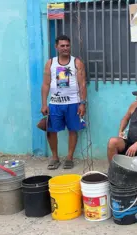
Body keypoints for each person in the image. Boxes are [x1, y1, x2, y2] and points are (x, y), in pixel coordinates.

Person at [41, 35, 87, 170]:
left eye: (67, 45)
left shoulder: (76, 62)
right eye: (62, 46)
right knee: (51, 130)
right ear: (56, 47)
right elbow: (45, 84)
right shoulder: (50, 63)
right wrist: (44, 104)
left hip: (73, 103)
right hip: (55, 103)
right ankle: (55, 157)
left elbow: (82, 84)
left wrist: (82, 103)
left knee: (73, 130)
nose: (65, 48)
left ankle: (69, 158)